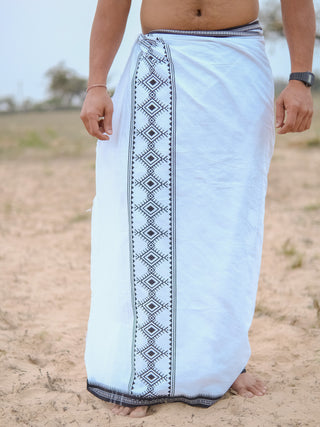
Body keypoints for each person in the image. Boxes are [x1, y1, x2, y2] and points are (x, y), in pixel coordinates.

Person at [80, 0, 315, 419]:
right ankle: (140, 370)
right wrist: (96, 84)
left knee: (226, 221)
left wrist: (300, 77)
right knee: (144, 216)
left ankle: (225, 362)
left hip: (238, 62)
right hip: (159, 62)